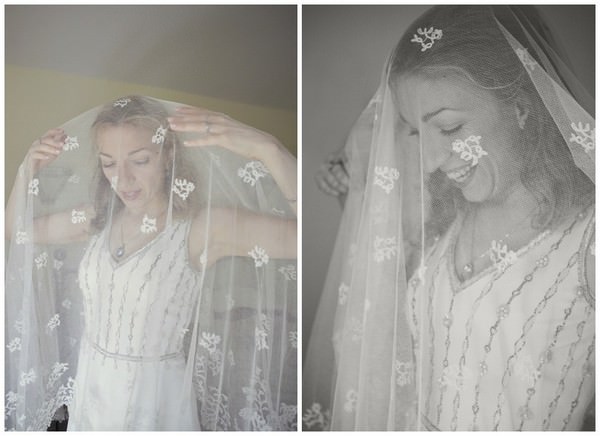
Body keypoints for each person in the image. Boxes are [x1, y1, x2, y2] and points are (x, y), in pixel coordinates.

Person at [303, 6, 594, 431]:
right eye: (416, 132)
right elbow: (387, 299)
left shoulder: (588, 240)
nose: (432, 161)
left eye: (451, 128)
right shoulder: (445, 217)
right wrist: (356, 194)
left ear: (521, 108)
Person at [5, 96, 297, 431]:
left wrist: (269, 149)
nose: (123, 179)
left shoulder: (201, 227)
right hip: (93, 388)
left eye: (140, 160)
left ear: (168, 155)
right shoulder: (96, 218)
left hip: (154, 399)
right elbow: (16, 230)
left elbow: (302, 235)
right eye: (109, 163)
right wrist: (25, 170)